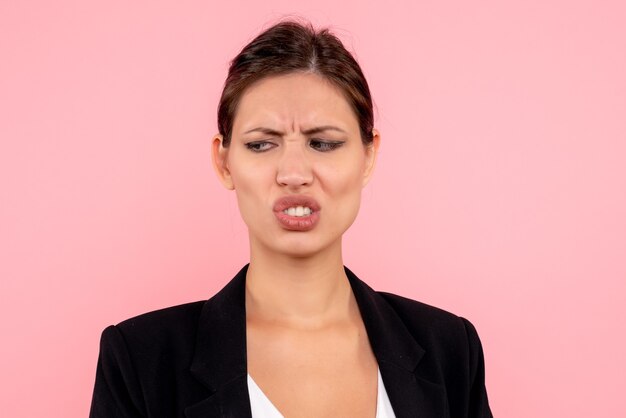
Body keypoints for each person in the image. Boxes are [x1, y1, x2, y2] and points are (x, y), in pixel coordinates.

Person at [89, 19, 493, 418]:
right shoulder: (139, 361)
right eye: (261, 144)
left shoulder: (450, 350)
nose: (294, 173)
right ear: (224, 161)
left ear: (368, 156)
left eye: (324, 143)